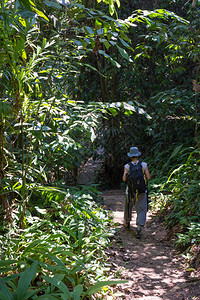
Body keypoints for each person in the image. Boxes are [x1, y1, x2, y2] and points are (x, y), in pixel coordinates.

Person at [122, 146, 151, 239]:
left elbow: (124, 179)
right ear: (138, 155)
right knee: (141, 208)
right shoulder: (144, 164)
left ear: (130, 156)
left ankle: (127, 223)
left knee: (128, 207)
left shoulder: (127, 166)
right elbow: (148, 177)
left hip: (130, 191)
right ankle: (139, 228)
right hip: (142, 191)